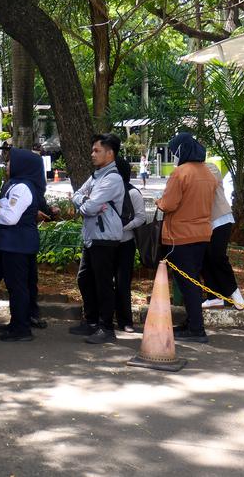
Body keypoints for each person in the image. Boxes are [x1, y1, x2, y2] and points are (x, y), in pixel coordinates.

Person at [0, 148, 47, 341]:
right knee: (16, 286)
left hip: (17, 244)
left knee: (18, 287)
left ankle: (21, 329)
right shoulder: (18, 185)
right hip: (14, 244)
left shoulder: (22, 188)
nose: (7, 166)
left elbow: (10, 218)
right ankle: (17, 323)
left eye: (10, 162)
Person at [157, 132, 217, 343]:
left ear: (181, 151)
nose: (173, 155)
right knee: (193, 281)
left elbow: (169, 204)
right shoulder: (208, 173)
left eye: (174, 151)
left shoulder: (180, 173)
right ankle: (192, 323)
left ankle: (196, 328)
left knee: (187, 283)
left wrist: (159, 203)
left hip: (180, 236)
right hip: (202, 234)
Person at [68, 133, 126, 345]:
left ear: (109, 154)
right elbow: (77, 195)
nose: (92, 154)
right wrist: (86, 201)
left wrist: (85, 205)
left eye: (97, 150)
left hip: (105, 237)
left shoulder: (112, 178)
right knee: (84, 279)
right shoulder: (96, 176)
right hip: (91, 236)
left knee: (103, 284)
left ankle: (106, 328)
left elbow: (89, 207)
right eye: (92, 150)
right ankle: (91, 322)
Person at [201, 161, 244, 312]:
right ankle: (213, 297)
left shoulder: (210, 167)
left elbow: (206, 185)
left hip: (220, 219)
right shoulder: (186, 170)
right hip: (203, 223)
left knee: (217, 256)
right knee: (205, 258)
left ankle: (234, 292)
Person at [115, 159, 146, 333]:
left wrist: (121, 228)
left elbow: (141, 218)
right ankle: (103, 319)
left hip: (125, 244)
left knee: (122, 283)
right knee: (103, 282)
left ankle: (125, 321)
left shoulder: (133, 193)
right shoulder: (106, 191)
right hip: (105, 244)